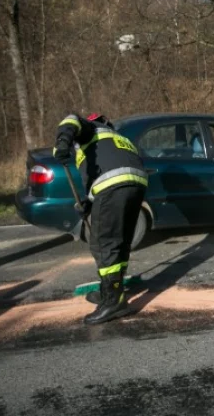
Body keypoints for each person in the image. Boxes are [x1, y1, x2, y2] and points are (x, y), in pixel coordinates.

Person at [53, 113, 148, 324]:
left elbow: (71, 118)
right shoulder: (117, 139)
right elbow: (104, 172)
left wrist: (63, 142)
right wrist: (89, 204)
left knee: (103, 243)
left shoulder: (91, 129)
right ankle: (113, 291)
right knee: (120, 241)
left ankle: (113, 302)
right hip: (136, 184)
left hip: (113, 185)